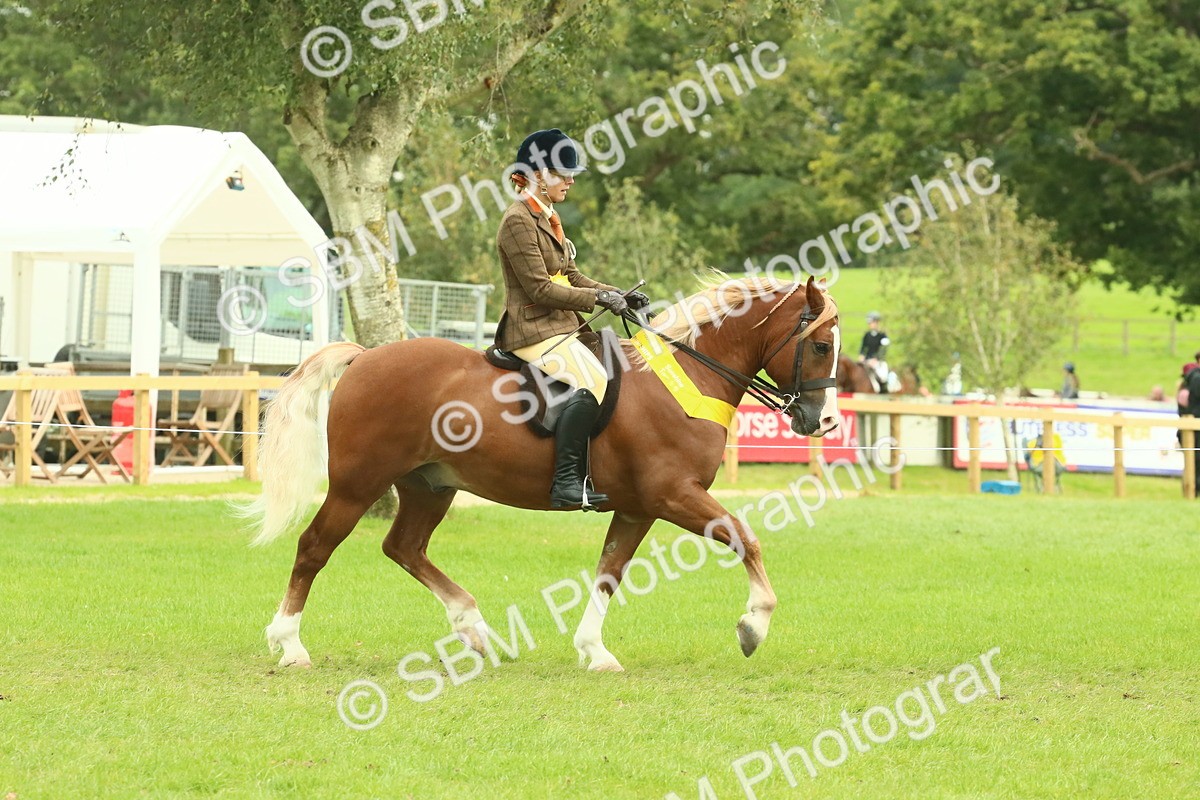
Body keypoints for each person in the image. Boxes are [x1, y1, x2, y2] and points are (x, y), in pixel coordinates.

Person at [494, 128, 649, 511]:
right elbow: (540, 290)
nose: (571, 180)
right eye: (563, 173)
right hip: (531, 328)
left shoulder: (548, 218)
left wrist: (619, 294)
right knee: (593, 379)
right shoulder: (517, 221)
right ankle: (566, 483)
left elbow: (572, 276)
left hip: (560, 326)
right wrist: (597, 298)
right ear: (537, 175)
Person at [858, 311, 891, 393]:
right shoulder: (867, 335)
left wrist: (876, 358)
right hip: (867, 360)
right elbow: (863, 347)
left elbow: (883, 349)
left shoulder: (882, 335)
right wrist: (861, 356)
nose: (870, 324)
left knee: (883, 376)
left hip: (878, 361)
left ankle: (883, 392)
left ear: (877, 322)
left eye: (872, 322)